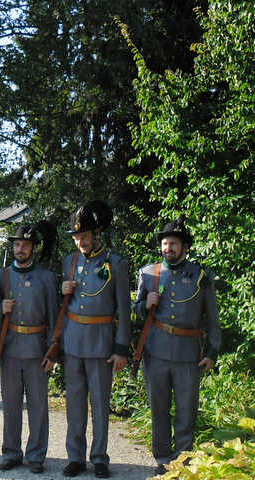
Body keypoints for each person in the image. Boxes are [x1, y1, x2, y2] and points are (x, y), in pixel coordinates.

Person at [133, 216, 221, 476]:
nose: (168, 248)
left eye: (173, 243)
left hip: (188, 353)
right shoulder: (148, 273)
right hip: (156, 351)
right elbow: (136, 311)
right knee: (159, 410)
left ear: (183, 247)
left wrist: (213, 351)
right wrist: (145, 304)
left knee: (186, 411)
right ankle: (162, 460)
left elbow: (212, 318)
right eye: (164, 243)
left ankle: (182, 461)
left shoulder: (201, 275)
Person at [60, 200, 131, 478]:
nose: (80, 242)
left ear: (97, 234)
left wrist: (121, 348)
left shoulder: (115, 263)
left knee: (100, 403)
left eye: (84, 237)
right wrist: (61, 289)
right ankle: (75, 457)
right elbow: (63, 304)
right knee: (74, 403)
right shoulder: (69, 261)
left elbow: (124, 310)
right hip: (73, 340)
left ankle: (100, 457)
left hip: (101, 340)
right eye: (77, 238)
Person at [0, 222, 60, 474]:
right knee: (11, 405)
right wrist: (0, 307)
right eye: (17, 244)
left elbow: (54, 318)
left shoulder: (47, 278)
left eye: (25, 245)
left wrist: (52, 352)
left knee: (38, 406)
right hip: (10, 348)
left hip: (37, 349)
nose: (20, 249)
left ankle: (36, 455)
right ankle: (11, 452)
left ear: (33, 248)